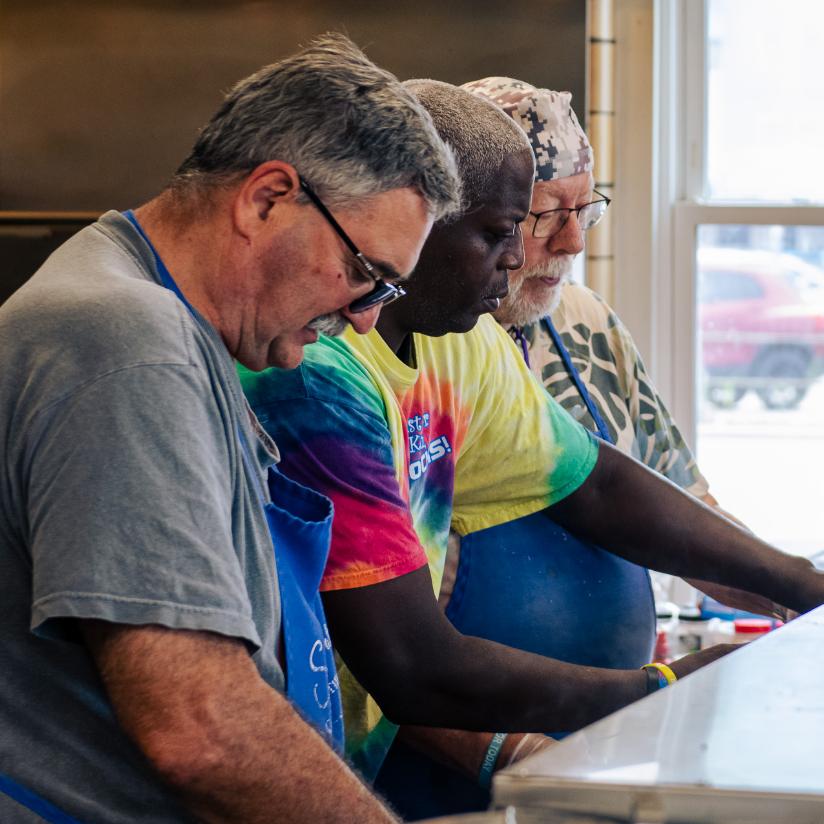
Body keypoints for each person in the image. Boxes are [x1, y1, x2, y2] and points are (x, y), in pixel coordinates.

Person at [241, 77, 824, 815]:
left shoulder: (461, 340)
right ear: (415, 221)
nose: (520, 257)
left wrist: (801, 583)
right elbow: (409, 661)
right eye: (502, 229)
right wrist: (662, 691)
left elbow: (598, 485)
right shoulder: (318, 376)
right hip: (326, 771)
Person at [0, 34, 460, 823]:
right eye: (363, 272)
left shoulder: (171, 326)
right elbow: (200, 727)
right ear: (266, 198)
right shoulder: (125, 340)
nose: (364, 318)